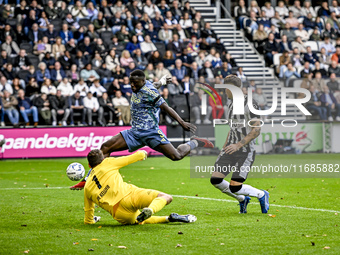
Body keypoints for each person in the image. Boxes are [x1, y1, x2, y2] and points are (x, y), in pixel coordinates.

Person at [70, 70, 213, 190]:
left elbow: (166, 107)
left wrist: (182, 122)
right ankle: (89, 179)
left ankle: (194, 142)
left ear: (142, 82)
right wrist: (161, 82)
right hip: (135, 133)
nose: (132, 85)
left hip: (151, 133)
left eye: (135, 83)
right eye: (131, 82)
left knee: (176, 156)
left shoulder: (150, 92)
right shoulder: (144, 85)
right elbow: (153, 84)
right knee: (105, 147)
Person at [84, 149, 197, 225]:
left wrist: (90, 221)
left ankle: (169, 218)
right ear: (103, 159)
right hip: (130, 195)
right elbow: (134, 157)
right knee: (165, 197)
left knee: (139, 219)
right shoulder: (107, 162)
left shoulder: (87, 187)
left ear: (89, 165)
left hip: (120, 213)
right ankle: (151, 209)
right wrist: (143, 153)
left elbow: (88, 213)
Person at [210, 75, 269, 214]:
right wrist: (224, 148)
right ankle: (242, 199)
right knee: (216, 179)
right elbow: (232, 128)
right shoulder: (230, 103)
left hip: (245, 150)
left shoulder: (250, 103)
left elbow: (257, 129)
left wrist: (238, 145)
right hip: (230, 149)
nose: (225, 91)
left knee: (235, 186)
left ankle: (261, 194)